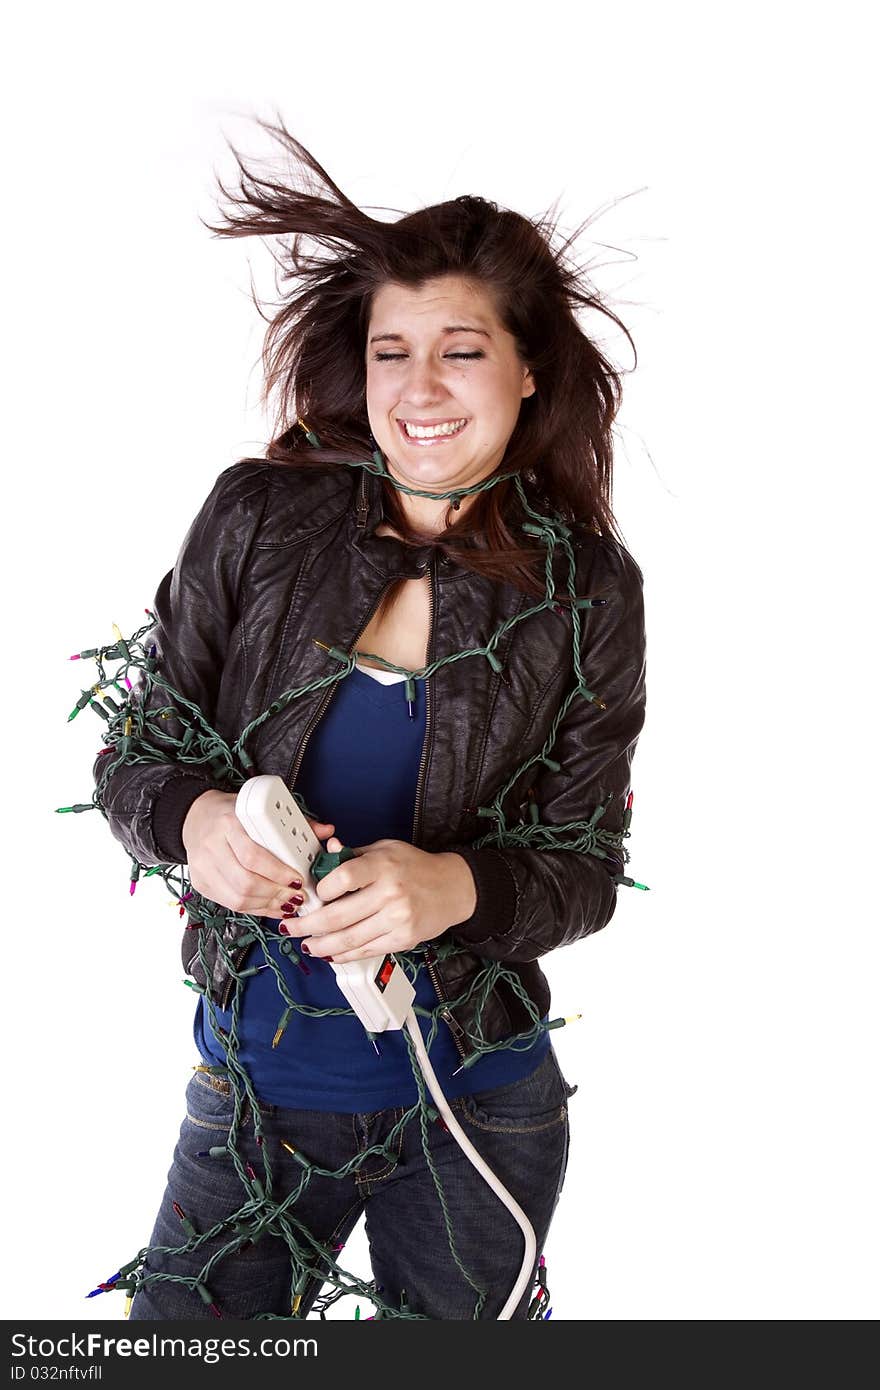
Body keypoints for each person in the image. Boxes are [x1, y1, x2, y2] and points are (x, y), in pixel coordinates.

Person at [92, 120, 647, 1321]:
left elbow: (582, 867)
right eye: (392, 351)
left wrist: (451, 888)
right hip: (258, 1094)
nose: (420, 389)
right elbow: (137, 759)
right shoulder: (256, 518)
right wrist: (189, 823)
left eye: (461, 350)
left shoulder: (588, 586)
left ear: (526, 368)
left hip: (479, 1108)